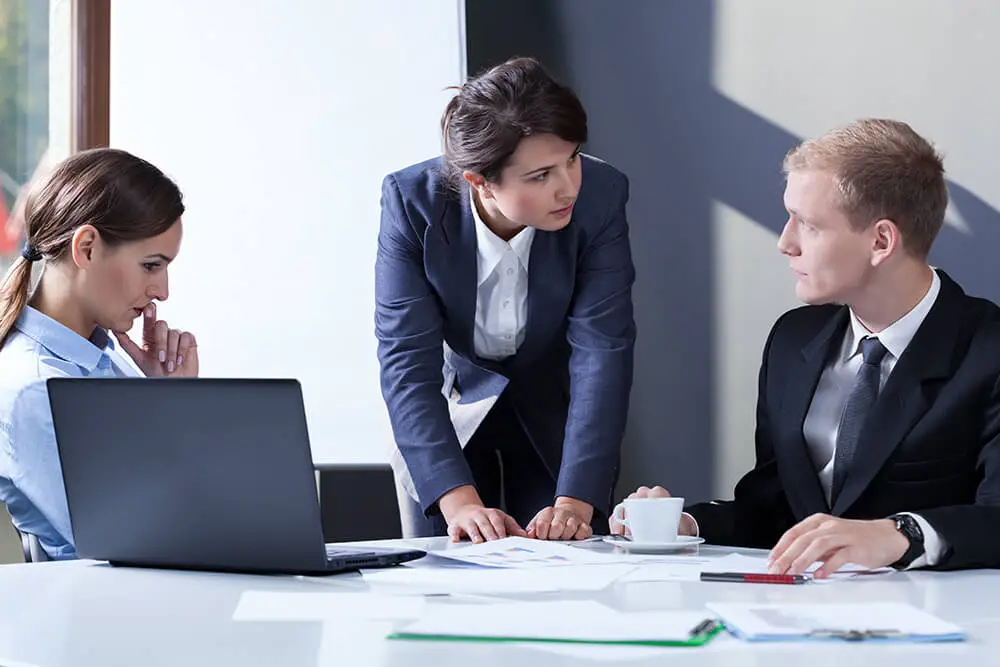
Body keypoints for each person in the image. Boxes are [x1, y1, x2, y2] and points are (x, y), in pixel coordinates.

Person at [613, 118, 1000, 574]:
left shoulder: (987, 349)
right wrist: (688, 523)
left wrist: (899, 533)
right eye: (788, 216)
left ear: (881, 240)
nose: (784, 242)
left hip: (947, 626)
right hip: (799, 621)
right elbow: (774, 511)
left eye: (808, 225)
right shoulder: (792, 340)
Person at [376, 57, 636, 543]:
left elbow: (603, 350)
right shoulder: (412, 203)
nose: (568, 187)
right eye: (540, 176)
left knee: (564, 576)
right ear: (479, 179)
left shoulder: (601, 196)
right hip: (453, 419)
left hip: (555, 419)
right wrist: (457, 501)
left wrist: (576, 501)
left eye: (573, 158)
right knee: (445, 578)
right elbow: (406, 364)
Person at [0, 148, 198, 559]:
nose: (163, 291)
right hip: (107, 614)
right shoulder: (38, 389)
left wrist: (164, 399)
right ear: (87, 247)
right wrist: (178, 412)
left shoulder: (96, 361)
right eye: (151, 265)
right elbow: (141, 538)